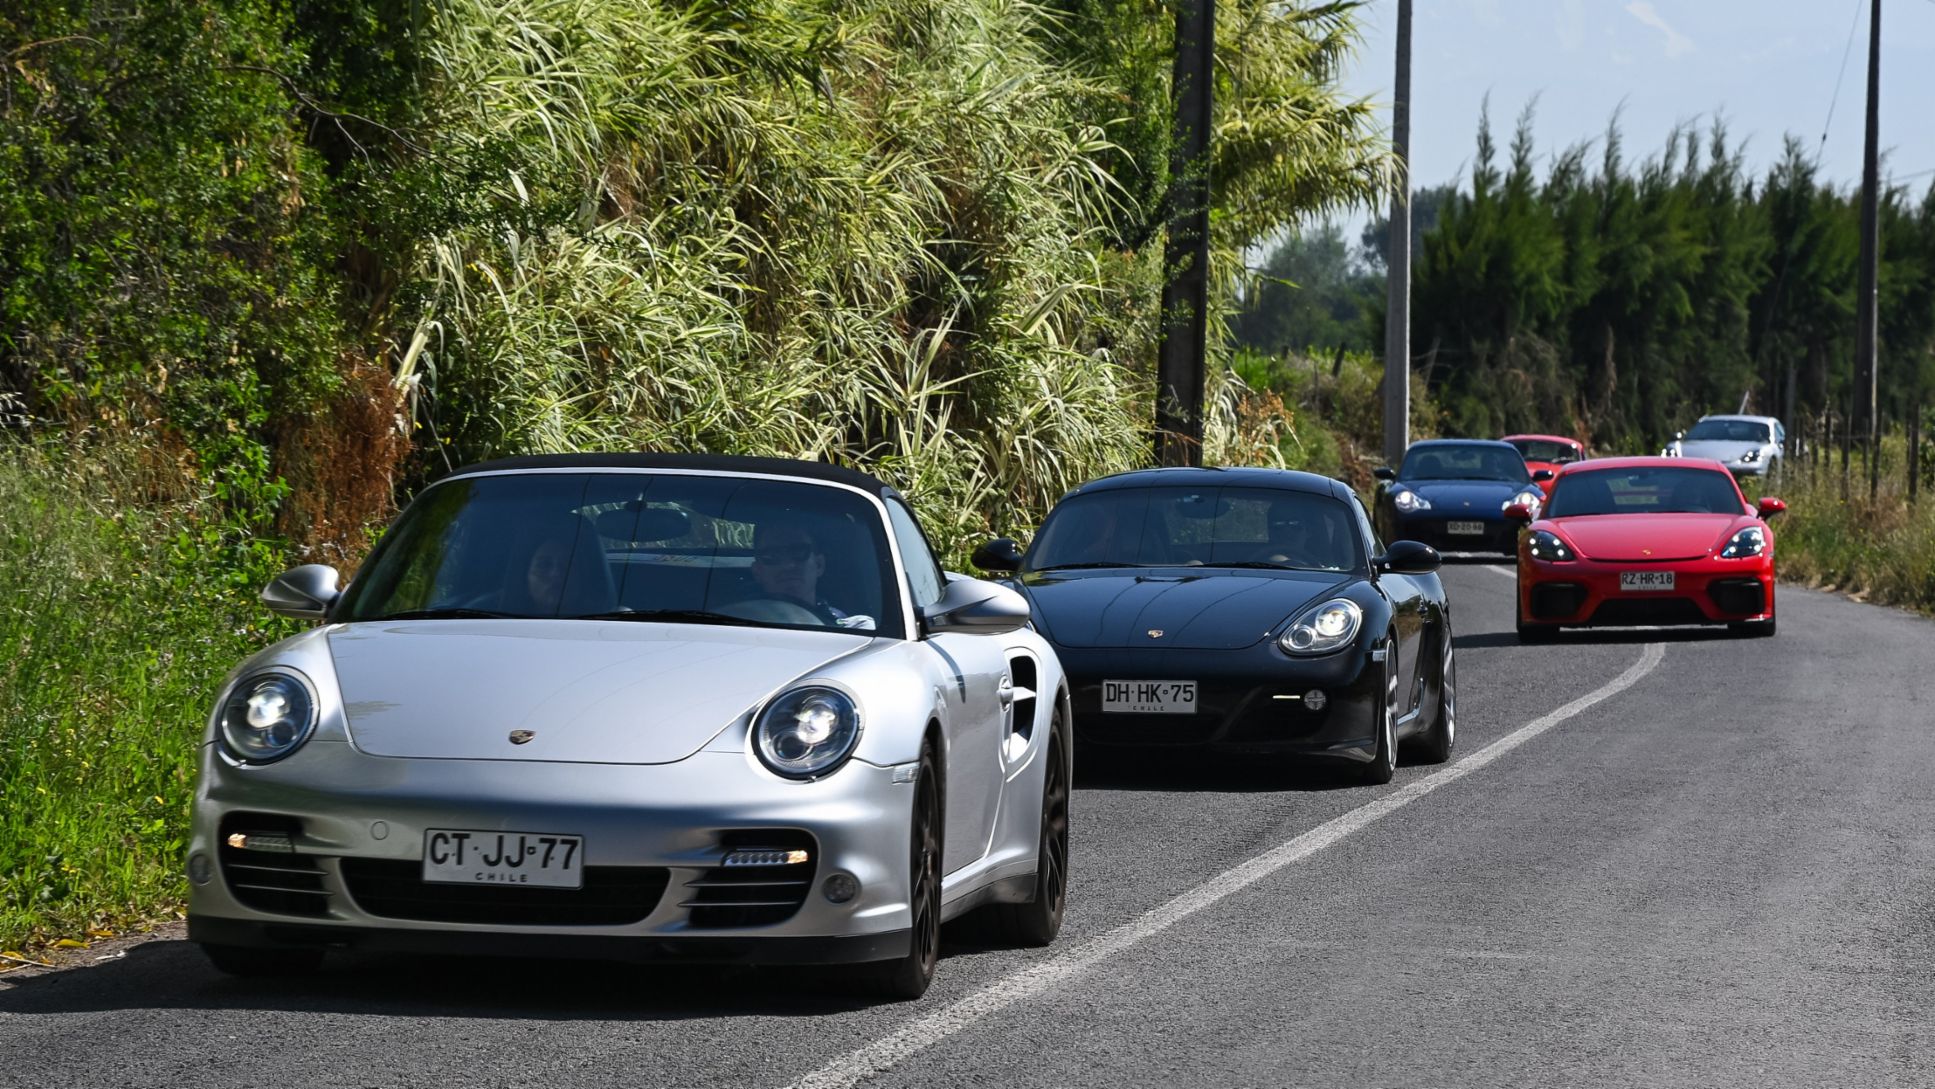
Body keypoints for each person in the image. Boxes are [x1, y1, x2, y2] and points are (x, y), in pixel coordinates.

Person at [747, 521, 853, 625]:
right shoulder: (740, 622)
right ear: (757, 572)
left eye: (799, 552)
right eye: (772, 555)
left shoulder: (846, 626)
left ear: (819, 565)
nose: (788, 566)